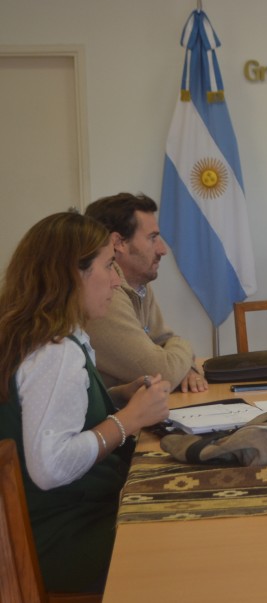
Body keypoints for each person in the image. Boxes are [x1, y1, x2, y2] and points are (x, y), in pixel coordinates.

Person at [0, 211, 171, 593]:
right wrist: (129, 419)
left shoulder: (40, 335)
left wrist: (116, 397)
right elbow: (50, 465)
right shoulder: (54, 351)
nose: (117, 280)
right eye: (109, 266)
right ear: (73, 275)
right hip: (58, 539)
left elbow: (46, 414)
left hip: (53, 525)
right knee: (176, 543)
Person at [83, 193, 207, 393]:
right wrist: (184, 350)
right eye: (153, 238)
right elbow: (162, 372)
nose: (162, 249)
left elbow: (164, 341)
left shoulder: (138, 284)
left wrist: (186, 369)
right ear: (119, 242)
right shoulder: (105, 295)